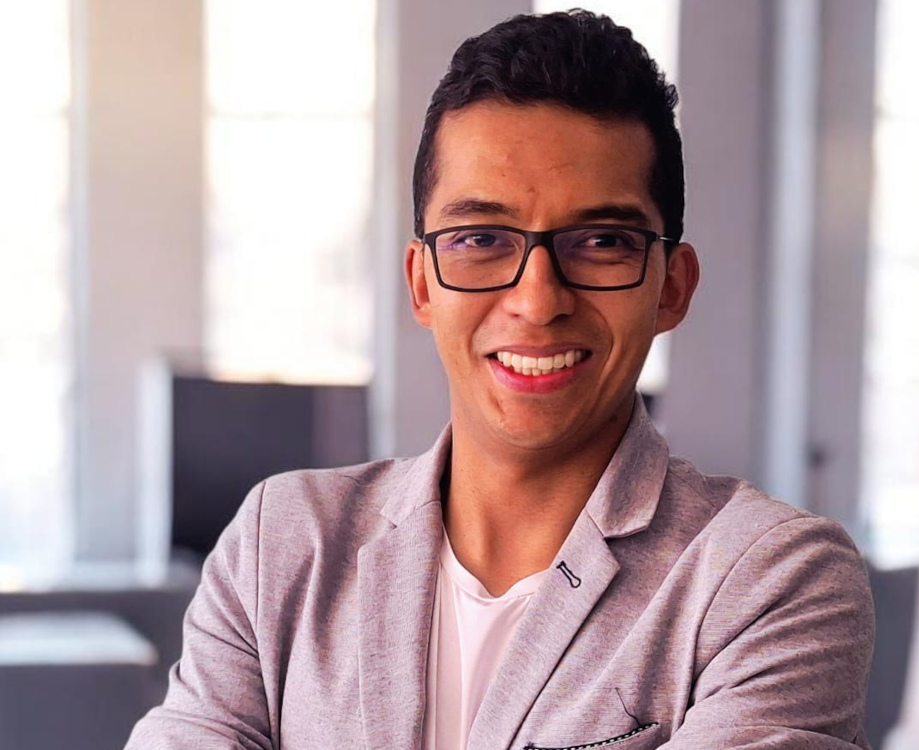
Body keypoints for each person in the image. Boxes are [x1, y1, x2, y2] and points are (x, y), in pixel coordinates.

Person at [126, 10, 874, 750]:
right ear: (422, 284)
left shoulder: (771, 578)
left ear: (672, 288)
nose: (538, 301)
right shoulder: (285, 544)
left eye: (601, 241)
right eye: (481, 238)